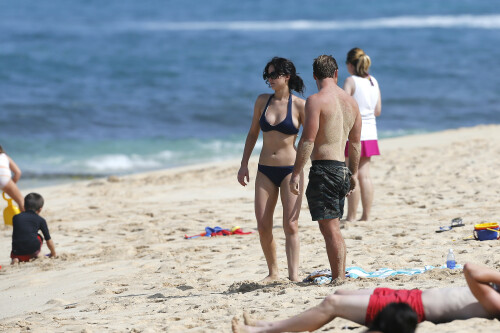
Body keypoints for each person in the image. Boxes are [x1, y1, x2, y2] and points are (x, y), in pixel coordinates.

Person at [231, 262, 500, 333]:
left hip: (410, 308)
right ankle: (265, 325)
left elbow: (471, 270)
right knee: (339, 294)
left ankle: (267, 331)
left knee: (332, 304)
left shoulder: (497, 303)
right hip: (408, 296)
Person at [289, 55, 362, 281]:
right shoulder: (351, 102)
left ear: (314, 76)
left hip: (325, 170)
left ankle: (338, 277)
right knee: (331, 226)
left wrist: (295, 173)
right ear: (336, 73)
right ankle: (337, 274)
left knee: (331, 229)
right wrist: (353, 173)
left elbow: (308, 140)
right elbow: (356, 144)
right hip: (341, 167)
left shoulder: (316, 100)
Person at [237, 57, 306, 282]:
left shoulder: (299, 105)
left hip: (290, 170)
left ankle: (293, 275)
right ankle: (273, 272)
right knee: (263, 225)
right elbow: (252, 134)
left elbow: (310, 138)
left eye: (273, 75)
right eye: (267, 75)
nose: (269, 79)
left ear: (287, 76)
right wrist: (243, 164)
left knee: (291, 224)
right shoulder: (262, 101)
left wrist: (301, 169)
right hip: (265, 170)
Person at [343, 48, 382, 222]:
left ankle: (351, 216)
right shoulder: (373, 81)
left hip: (354, 134)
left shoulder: (351, 81)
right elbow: (378, 111)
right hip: (371, 133)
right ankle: (366, 215)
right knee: (365, 175)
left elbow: (342, 108)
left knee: (353, 175)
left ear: (350, 65)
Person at [11, 192, 56, 264]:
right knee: (39, 237)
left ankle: (16, 259)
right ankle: (36, 255)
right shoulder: (41, 220)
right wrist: (53, 253)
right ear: (40, 209)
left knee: (20, 236)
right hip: (32, 251)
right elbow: (48, 239)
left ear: (24, 206)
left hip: (17, 251)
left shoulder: (15, 218)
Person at [0, 144, 24, 211]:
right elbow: (18, 172)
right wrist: (12, 186)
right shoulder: (4, 156)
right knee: (21, 201)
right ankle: (27, 220)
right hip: (3, 178)